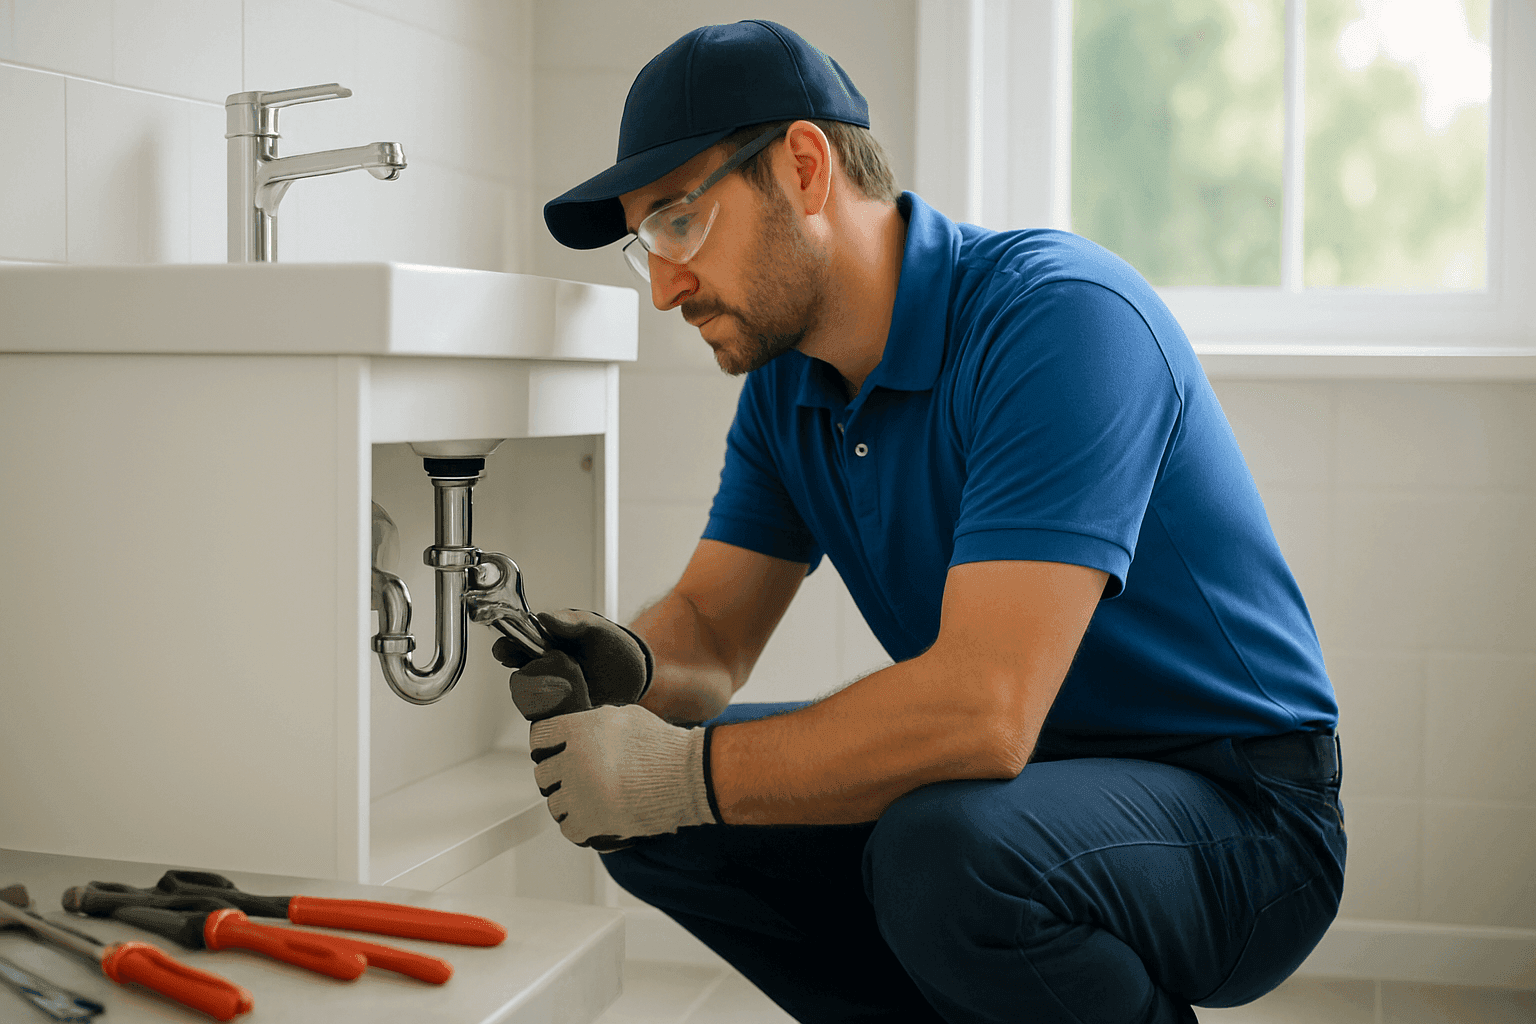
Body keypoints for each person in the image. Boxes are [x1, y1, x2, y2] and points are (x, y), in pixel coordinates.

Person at [494, 19, 1346, 1024]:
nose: (666, 286)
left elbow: (985, 708)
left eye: (679, 223)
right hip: (1028, 785)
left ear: (804, 167)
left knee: (940, 853)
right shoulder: (788, 388)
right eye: (647, 248)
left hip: (1241, 812)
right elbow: (715, 634)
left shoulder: (1057, 319)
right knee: (663, 823)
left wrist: (678, 774)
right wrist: (631, 665)